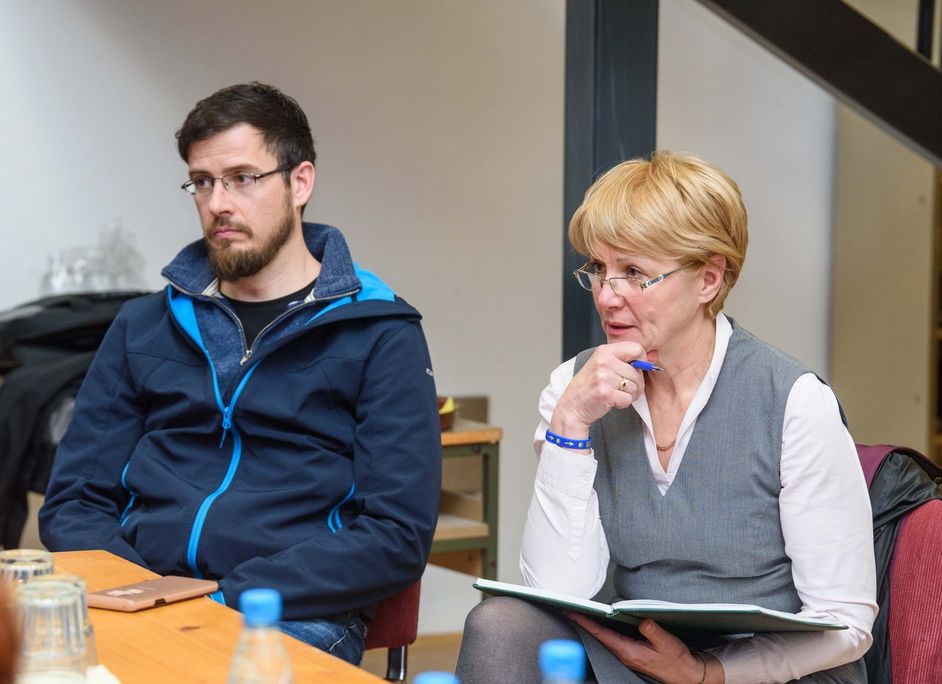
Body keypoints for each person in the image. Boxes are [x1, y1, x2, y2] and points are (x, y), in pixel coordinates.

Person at [38, 82, 442, 665]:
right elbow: (74, 502)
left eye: (242, 178)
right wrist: (144, 592)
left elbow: (395, 536)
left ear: (300, 183)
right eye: (202, 182)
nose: (218, 202)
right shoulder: (142, 325)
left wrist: (223, 598)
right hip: (137, 597)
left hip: (287, 612)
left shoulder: (380, 333)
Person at [456, 152, 876, 683]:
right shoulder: (575, 386)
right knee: (501, 625)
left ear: (708, 280)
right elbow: (557, 592)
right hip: (641, 658)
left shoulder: (794, 401)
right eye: (599, 270)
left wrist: (709, 673)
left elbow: (846, 622)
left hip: (772, 669)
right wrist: (570, 425)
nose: (607, 297)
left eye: (634, 273)